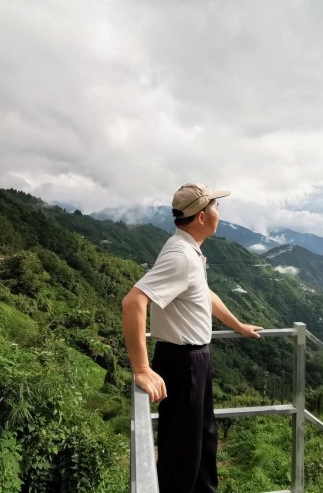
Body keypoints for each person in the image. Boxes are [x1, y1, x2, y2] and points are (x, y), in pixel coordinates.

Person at [121, 182, 263, 493]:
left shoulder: (189, 252)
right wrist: (142, 369)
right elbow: (133, 302)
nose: (219, 213)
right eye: (215, 207)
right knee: (182, 452)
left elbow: (204, 294)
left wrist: (237, 324)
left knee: (203, 441)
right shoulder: (181, 256)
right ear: (201, 216)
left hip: (195, 359)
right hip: (182, 362)